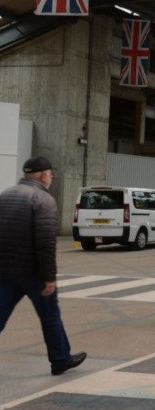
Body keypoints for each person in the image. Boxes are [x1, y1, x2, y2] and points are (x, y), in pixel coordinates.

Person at [0, 156, 87, 376]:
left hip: (6, 271)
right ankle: (60, 360)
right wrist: (49, 278)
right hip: (34, 274)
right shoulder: (43, 199)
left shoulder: (5, 195)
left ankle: (62, 357)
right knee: (49, 316)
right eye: (50, 174)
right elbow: (45, 244)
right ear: (44, 175)